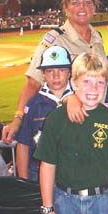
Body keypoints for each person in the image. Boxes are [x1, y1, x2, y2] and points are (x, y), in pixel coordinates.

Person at [34, 52, 108, 214]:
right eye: (86, 81)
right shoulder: (56, 119)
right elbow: (47, 166)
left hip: (103, 202)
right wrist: (47, 210)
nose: (93, 88)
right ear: (74, 83)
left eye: (100, 82)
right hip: (64, 202)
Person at [3, 0, 107, 143]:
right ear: (65, 8)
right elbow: (33, 82)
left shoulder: (97, 38)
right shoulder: (55, 39)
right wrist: (18, 118)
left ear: (94, 7)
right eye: (75, 3)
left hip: (96, 122)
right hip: (67, 125)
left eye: (88, 2)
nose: (82, 8)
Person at [14, 46, 74, 182]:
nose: (56, 76)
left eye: (62, 70)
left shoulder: (79, 99)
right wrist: (24, 181)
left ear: (70, 73)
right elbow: (23, 144)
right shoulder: (33, 103)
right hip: (38, 173)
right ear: (43, 74)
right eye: (50, 71)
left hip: (72, 175)